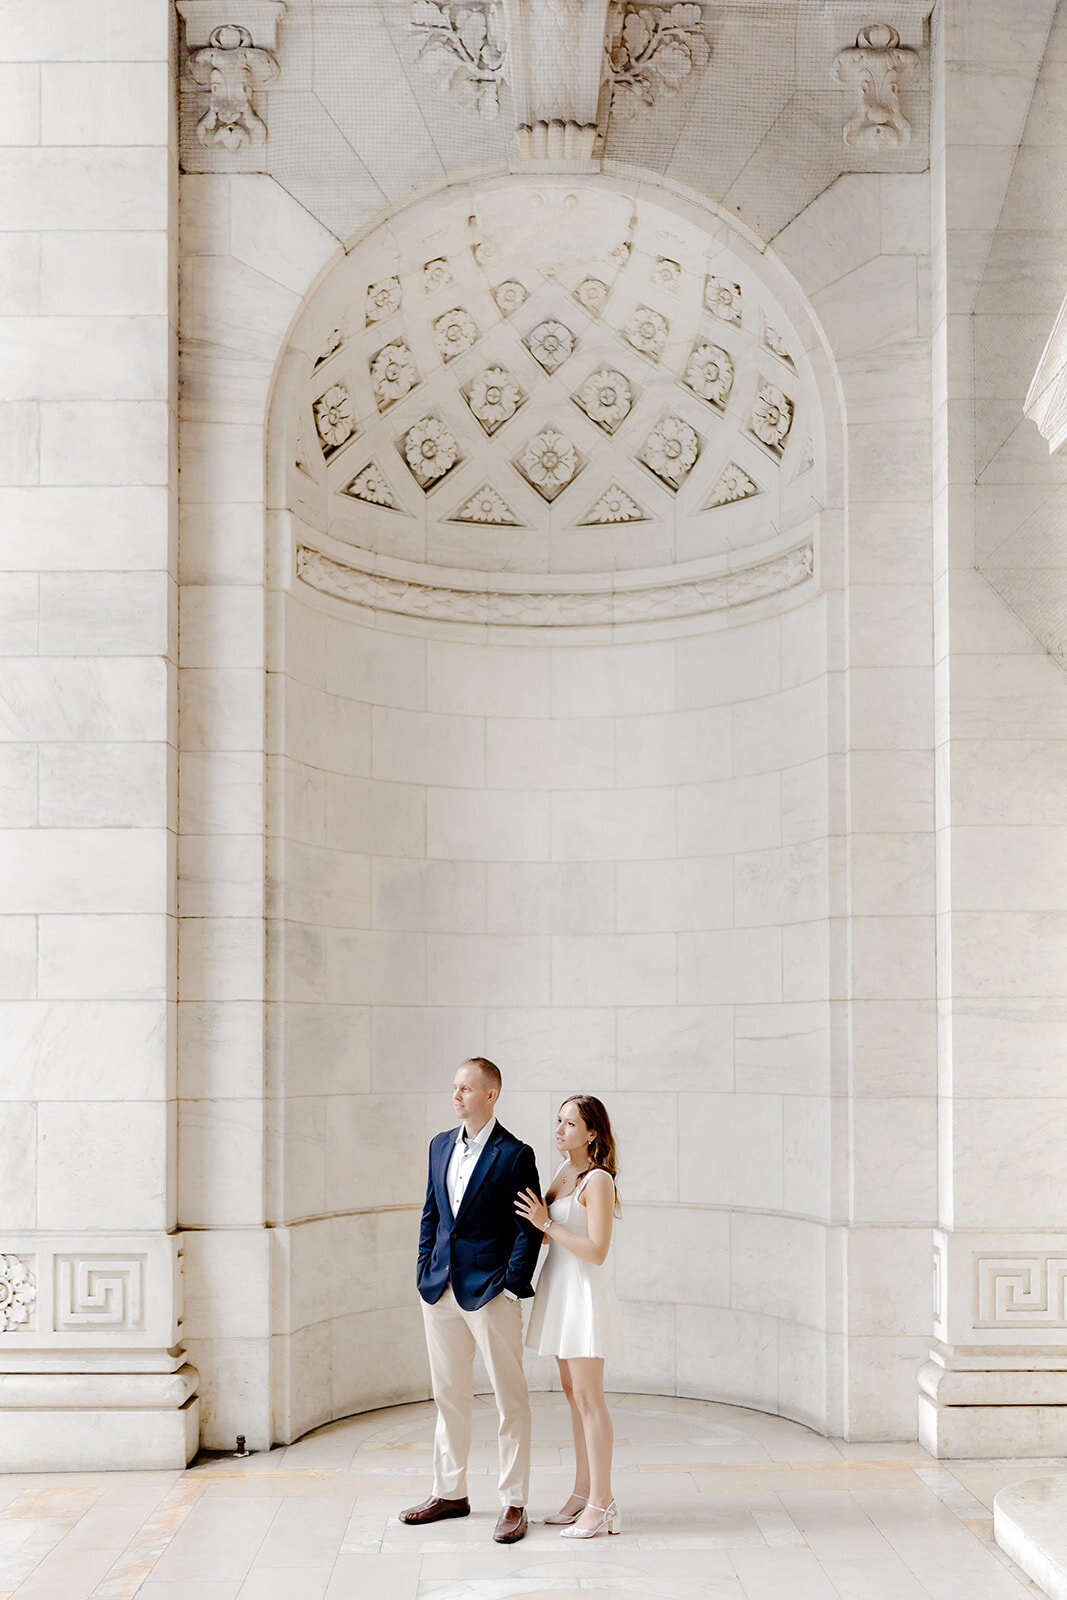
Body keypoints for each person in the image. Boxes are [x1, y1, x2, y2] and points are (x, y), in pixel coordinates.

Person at [400, 1057, 542, 1544]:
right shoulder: (439, 1145)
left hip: (492, 1293)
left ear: (490, 1095)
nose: (456, 1095)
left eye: (465, 1088)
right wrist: (423, 1270)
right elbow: (430, 1215)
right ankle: (450, 1492)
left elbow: (528, 1228)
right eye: (454, 1087)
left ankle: (514, 1502)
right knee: (448, 1396)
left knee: (510, 1399)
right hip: (439, 1290)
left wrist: (510, 1284)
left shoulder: (515, 1153)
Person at [515, 1094, 625, 1539]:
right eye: (558, 1121)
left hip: (582, 1293)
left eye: (570, 1124)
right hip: (558, 1287)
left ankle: (603, 1502)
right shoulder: (563, 1172)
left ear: (592, 1132)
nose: (559, 1129)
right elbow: (547, 1232)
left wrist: (545, 1224)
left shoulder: (597, 1179)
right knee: (572, 1394)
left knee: (588, 1398)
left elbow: (597, 1250)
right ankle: (582, 1494)